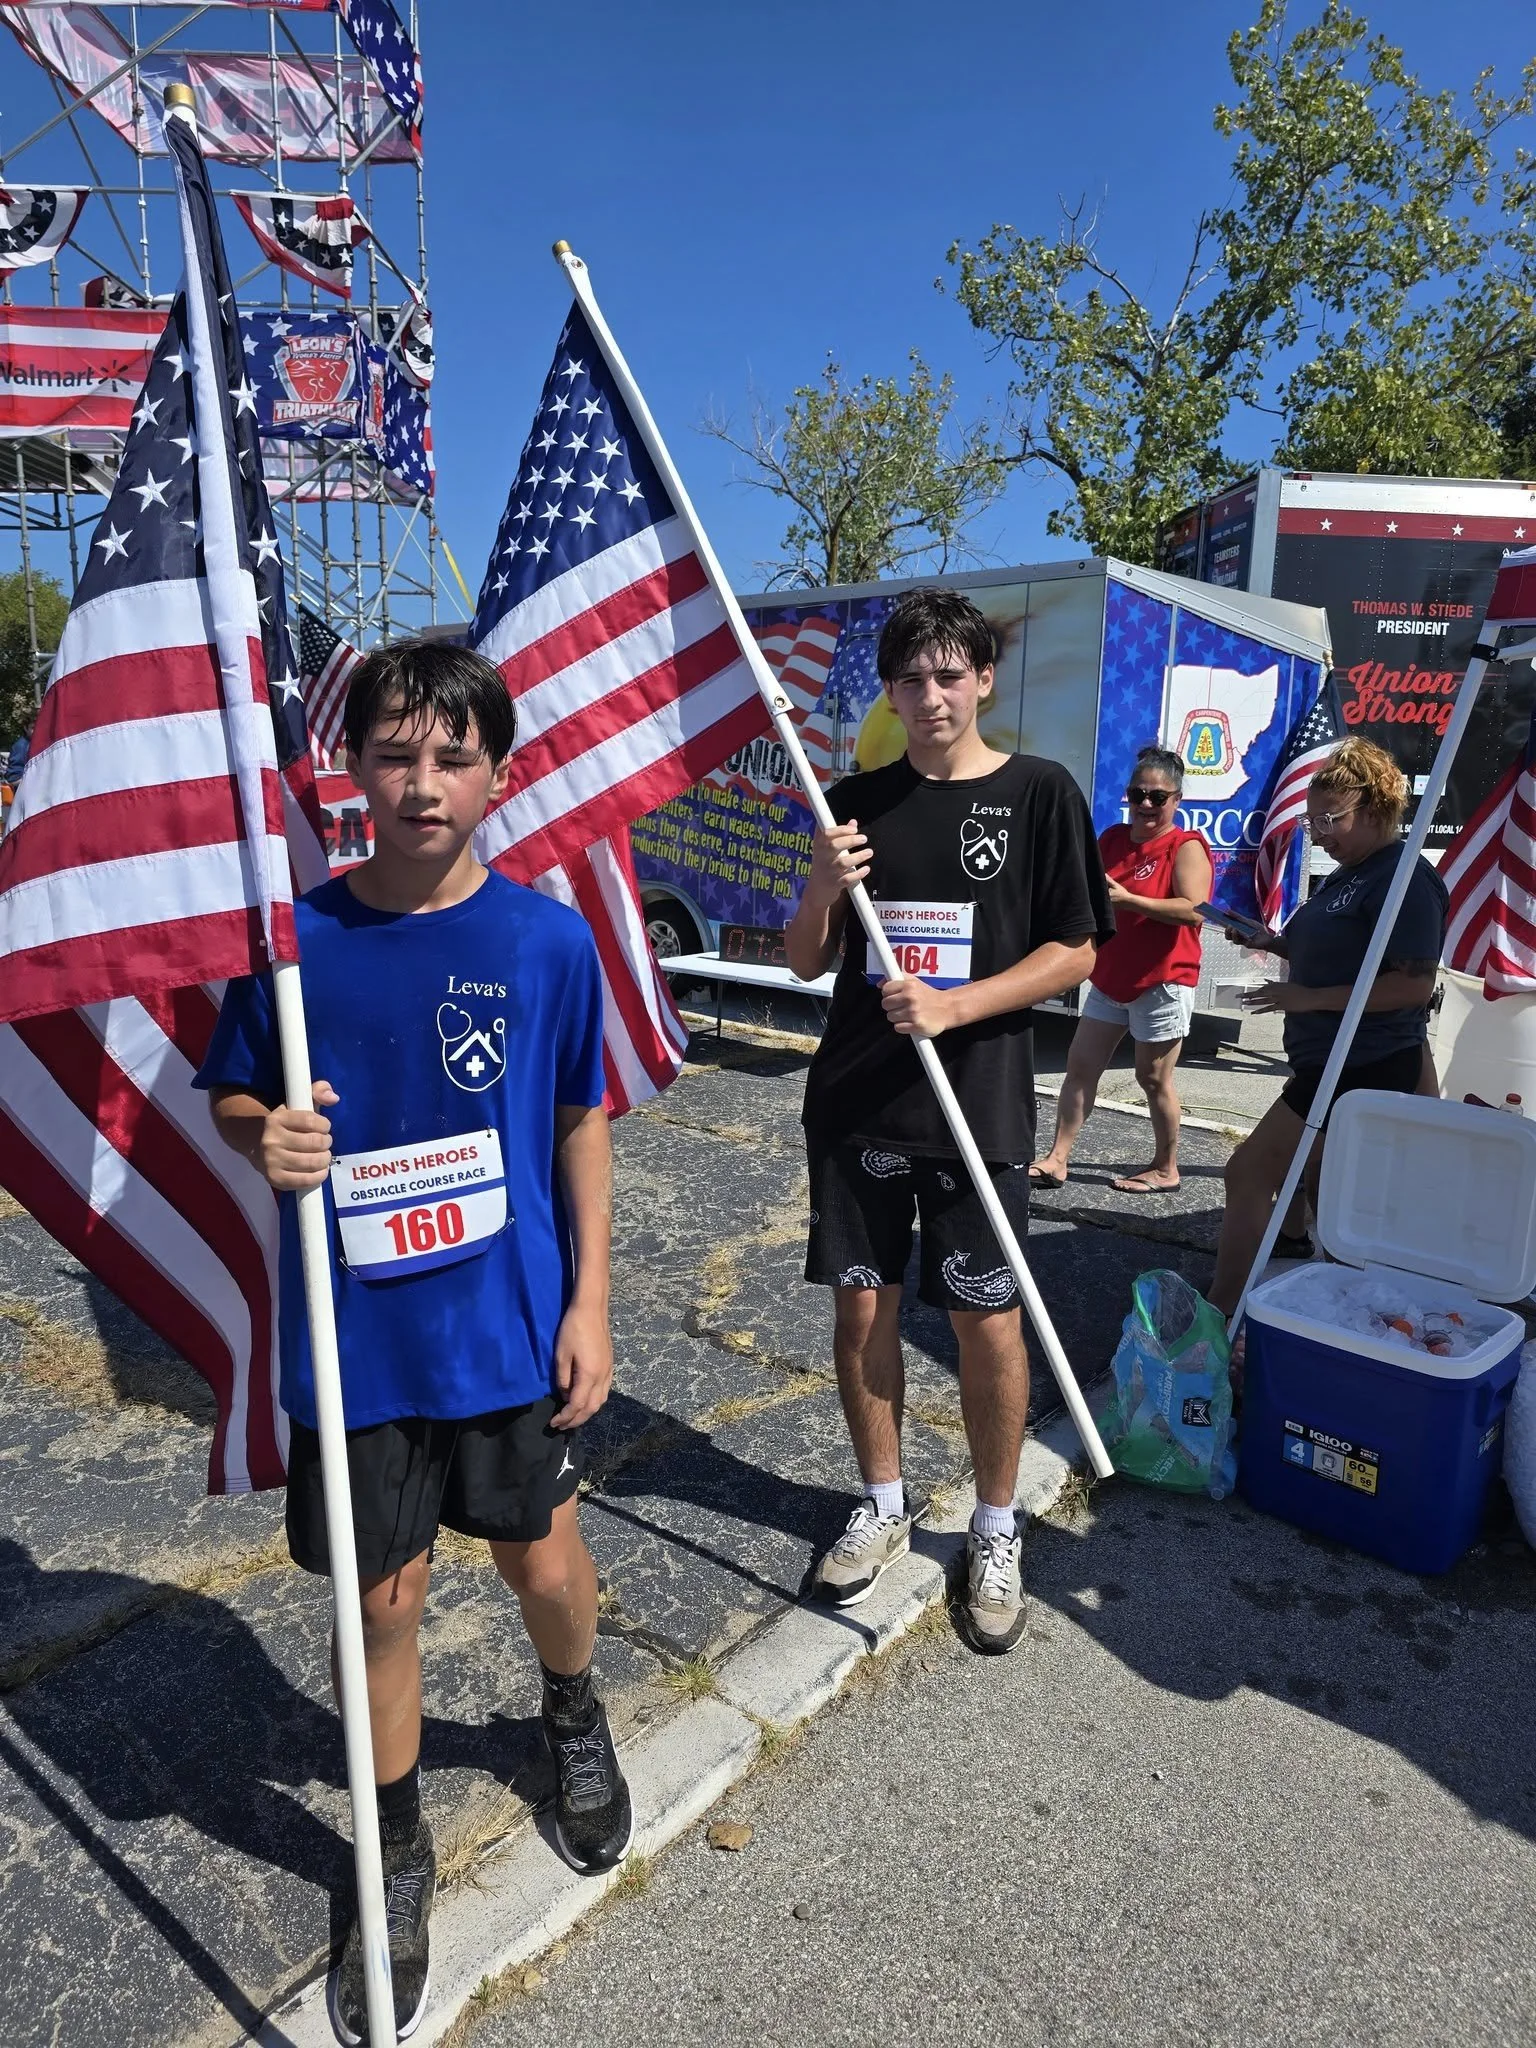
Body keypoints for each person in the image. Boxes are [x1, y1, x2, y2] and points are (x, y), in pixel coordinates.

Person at [195, 642, 630, 2045]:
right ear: (355, 770)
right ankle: (392, 1847)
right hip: (360, 1350)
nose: (422, 782)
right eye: (396, 753)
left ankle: (573, 1714)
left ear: (498, 771)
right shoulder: (294, 944)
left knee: (545, 1562)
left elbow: (579, 1122)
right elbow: (231, 1101)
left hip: (507, 1338)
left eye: (452, 756)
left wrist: (592, 1302)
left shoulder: (546, 944)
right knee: (380, 1604)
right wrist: (274, 1136)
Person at [785, 588, 1114, 1654]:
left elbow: (1076, 951)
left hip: (978, 1110)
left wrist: (956, 1003)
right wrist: (818, 885)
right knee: (863, 1317)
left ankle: (995, 1522)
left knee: (986, 1322)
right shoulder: (855, 798)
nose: (929, 695)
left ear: (981, 677)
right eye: (909, 678)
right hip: (857, 1106)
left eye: (947, 674)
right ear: (889, 689)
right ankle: (884, 1498)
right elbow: (802, 960)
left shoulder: (1038, 793)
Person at [1208, 737, 1449, 1325]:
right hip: (1330, 1061)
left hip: (1362, 1062)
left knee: (1247, 1172)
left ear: (1373, 809)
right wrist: (1274, 942)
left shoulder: (1402, 877)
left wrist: (1305, 996)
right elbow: (1349, 956)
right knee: (1324, 1188)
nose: (1318, 832)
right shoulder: (1354, 874)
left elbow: (1411, 985)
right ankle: (1322, 1304)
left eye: (1330, 819)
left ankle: (1219, 1312)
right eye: (1312, 819)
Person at [1031, 746, 1212, 1193]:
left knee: (1152, 1078)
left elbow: (1194, 910)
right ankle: (1057, 1158)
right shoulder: (1111, 839)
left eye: (1158, 797)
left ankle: (1166, 1168)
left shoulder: (1184, 846)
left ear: (1177, 799)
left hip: (1163, 979)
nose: (1146, 805)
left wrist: (1130, 900)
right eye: (1138, 794)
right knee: (1080, 1067)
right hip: (1110, 977)